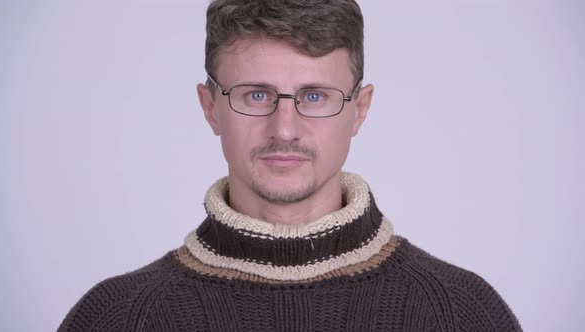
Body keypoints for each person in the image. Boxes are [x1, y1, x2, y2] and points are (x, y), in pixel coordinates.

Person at [59, 0, 522, 331]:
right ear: (209, 106)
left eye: (314, 96)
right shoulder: (117, 317)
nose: (284, 129)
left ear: (359, 110)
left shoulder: (461, 313)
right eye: (255, 95)